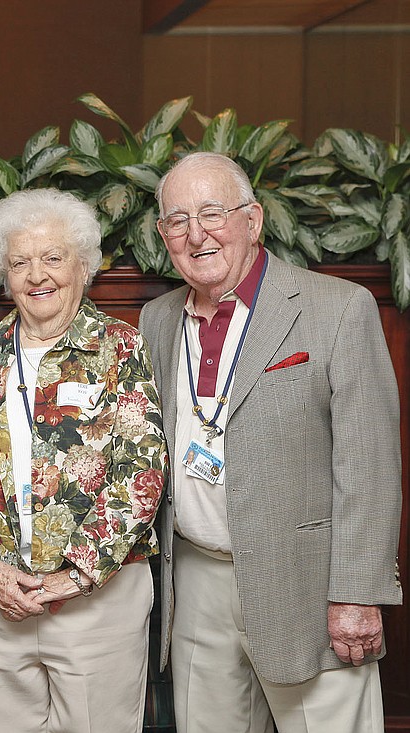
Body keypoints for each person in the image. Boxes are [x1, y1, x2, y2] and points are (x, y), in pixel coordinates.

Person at [140, 151, 404, 733]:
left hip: (307, 585)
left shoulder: (337, 309)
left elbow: (370, 467)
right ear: (163, 235)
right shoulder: (155, 320)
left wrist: (357, 594)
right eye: (177, 220)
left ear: (253, 220)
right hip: (197, 582)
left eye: (212, 213)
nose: (196, 234)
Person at [0, 188, 167, 733]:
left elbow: (140, 474)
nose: (37, 276)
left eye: (53, 258)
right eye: (20, 263)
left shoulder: (120, 348)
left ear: (83, 265)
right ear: (4, 277)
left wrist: (70, 578)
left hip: (97, 604)